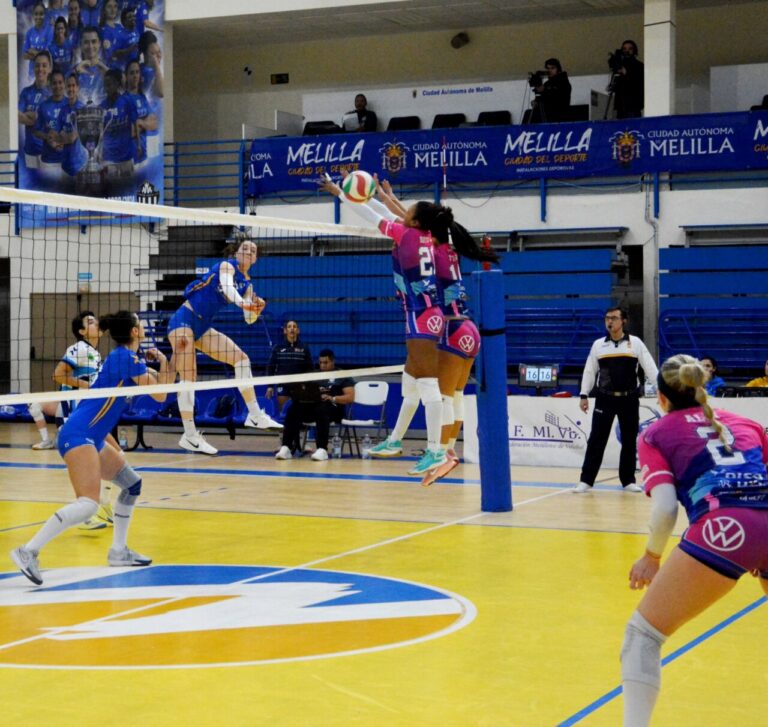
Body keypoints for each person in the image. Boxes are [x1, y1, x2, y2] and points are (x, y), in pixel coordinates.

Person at [622, 354, 768, 727]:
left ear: (661, 397)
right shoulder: (747, 422)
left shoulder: (655, 433)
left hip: (726, 527)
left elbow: (666, 508)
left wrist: (651, 557)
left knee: (643, 636)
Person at [10, 311, 175, 586]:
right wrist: (167, 362)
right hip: (78, 435)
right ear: (135, 332)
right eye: (139, 323)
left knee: (132, 484)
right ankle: (28, 551)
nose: (142, 327)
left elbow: (161, 385)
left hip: (93, 437)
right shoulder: (125, 358)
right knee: (88, 505)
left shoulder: (128, 360)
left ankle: (119, 551)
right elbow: (161, 394)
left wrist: (164, 363)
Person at [369, 178, 499, 486]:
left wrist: (384, 203)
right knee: (453, 396)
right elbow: (411, 218)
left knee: (438, 395)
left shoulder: (429, 248)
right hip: (466, 327)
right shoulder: (446, 247)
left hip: (449, 328)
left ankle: (440, 452)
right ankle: (445, 449)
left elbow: (408, 223)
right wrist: (389, 198)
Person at [319, 175, 449, 477]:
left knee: (428, 385)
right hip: (419, 312)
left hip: (423, 314)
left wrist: (341, 193)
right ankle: (394, 441)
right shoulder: (421, 234)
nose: (405, 212)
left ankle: (436, 450)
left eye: (410, 210)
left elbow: (372, 215)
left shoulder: (406, 234)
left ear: (414, 220)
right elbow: (386, 212)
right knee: (411, 382)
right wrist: (373, 194)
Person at [167, 235, 282, 456]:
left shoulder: (248, 284)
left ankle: (255, 414)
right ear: (236, 253)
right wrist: (244, 303)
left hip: (202, 327)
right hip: (184, 320)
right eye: (245, 248)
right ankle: (190, 435)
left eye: (253, 250)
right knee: (189, 377)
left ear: (255, 259)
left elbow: (249, 320)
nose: (249, 252)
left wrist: (256, 309)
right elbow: (228, 289)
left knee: (241, 359)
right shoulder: (226, 266)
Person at [28, 311, 116, 529]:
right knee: (89, 465)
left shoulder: (95, 353)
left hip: (90, 416)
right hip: (74, 416)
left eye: (95, 320)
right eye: (90, 322)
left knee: (114, 456)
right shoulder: (78, 349)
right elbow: (58, 375)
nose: (95, 323)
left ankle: (102, 503)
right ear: (82, 331)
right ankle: (87, 513)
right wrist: (88, 387)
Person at [573, 306, 658, 493]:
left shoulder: (635, 343)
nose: (609, 322)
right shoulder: (598, 345)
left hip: (629, 399)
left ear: (624, 321)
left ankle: (627, 480)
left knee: (629, 440)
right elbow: (589, 369)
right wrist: (584, 394)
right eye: (606, 318)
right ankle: (586, 480)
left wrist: (661, 389)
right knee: (596, 439)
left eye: (613, 318)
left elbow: (650, 367)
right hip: (604, 399)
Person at [275, 349, 355, 461]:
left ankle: (322, 449)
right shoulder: (314, 374)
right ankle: (286, 447)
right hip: (314, 406)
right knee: (293, 409)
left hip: (334, 408)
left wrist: (332, 398)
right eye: (321, 362)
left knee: (322, 409)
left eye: (326, 363)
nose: (322, 365)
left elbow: (350, 397)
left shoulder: (342, 376)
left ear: (333, 362)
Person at [266, 319, 313, 426]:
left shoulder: (304, 348)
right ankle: (285, 439)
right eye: (289, 326)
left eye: (294, 326)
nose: (292, 328)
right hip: (283, 384)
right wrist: (269, 386)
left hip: (299, 386)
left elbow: (310, 368)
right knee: (285, 413)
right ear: (285, 331)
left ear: (298, 331)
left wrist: (307, 384)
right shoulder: (278, 348)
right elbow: (271, 367)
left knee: (297, 413)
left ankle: (295, 440)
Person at [18, 50, 52, 170]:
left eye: (44, 65)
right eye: (37, 65)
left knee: (48, 186)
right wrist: (36, 117)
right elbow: (17, 116)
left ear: (50, 68)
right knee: (31, 187)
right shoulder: (26, 92)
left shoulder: (55, 93)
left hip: (49, 153)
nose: (40, 69)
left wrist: (29, 115)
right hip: (30, 151)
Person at [32, 69, 68, 184]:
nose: (57, 86)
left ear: (64, 84)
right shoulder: (43, 106)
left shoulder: (72, 104)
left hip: (69, 159)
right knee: (51, 196)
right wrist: (47, 136)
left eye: (60, 82)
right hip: (49, 161)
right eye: (54, 83)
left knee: (70, 197)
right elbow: (36, 131)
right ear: (50, 85)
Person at [124, 58, 157, 167]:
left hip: (145, 157)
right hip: (131, 160)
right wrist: (145, 123)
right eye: (132, 73)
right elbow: (127, 131)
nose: (135, 76)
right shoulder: (124, 100)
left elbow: (154, 123)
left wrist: (140, 123)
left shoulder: (142, 97)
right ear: (126, 76)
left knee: (149, 184)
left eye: (137, 72)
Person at [529, 58, 571, 123]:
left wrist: (544, 91)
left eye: (552, 68)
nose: (550, 71)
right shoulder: (548, 83)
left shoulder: (564, 82)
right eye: (548, 68)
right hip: (547, 117)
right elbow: (542, 98)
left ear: (558, 69)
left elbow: (557, 98)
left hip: (559, 118)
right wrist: (536, 102)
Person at [610, 39, 644, 119]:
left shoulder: (639, 65)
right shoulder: (619, 64)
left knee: (633, 129)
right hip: (620, 106)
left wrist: (626, 73)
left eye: (630, 49)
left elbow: (639, 84)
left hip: (633, 105)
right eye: (624, 49)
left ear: (634, 50)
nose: (627, 51)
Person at [75, 26, 108, 105]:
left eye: (94, 42)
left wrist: (106, 70)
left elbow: (122, 86)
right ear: (81, 45)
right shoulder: (75, 70)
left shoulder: (107, 68)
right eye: (86, 42)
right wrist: (76, 72)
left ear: (99, 43)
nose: (90, 46)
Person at [22, 2, 53, 79]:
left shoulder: (49, 30)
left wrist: (32, 51)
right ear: (33, 15)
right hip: (32, 74)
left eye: (41, 14)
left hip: (45, 74)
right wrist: (40, 53)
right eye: (36, 14)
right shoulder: (29, 32)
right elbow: (24, 55)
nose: (38, 17)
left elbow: (47, 55)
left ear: (45, 15)